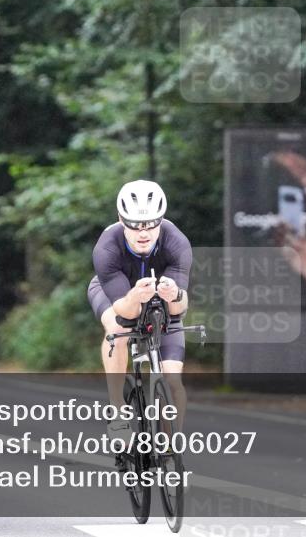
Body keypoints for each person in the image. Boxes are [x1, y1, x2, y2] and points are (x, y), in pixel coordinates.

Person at [89, 180, 192, 440]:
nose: (143, 232)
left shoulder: (177, 242)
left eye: (151, 224)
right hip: (115, 292)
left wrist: (174, 295)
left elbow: (180, 307)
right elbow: (124, 311)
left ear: (161, 220)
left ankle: (170, 449)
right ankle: (118, 410)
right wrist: (135, 296)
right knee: (117, 326)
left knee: (173, 381)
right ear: (121, 221)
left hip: (160, 295)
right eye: (134, 225)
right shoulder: (106, 247)